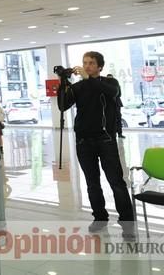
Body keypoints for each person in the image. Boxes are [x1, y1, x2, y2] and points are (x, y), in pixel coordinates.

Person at [58, 51, 136, 238]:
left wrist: (89, 79)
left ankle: (127, 223)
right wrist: (63, 83)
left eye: (91, 63)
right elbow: (63, 105)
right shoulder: (79, 87)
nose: (87, 66)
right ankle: (100, 217)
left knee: (116, 182)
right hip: (84, 141)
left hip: (105, 140)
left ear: (99, 66)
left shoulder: (110, 83)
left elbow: (112, 93)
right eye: (85, 62)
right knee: (92, 183)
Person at [106, 74, 125, 139]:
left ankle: (119, 133)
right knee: (111, 119)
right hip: (110, 103)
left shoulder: (116, 84)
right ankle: (112, 134)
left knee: (118, 118)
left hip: (116, 103)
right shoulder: (105, 85)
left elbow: (119, 94)